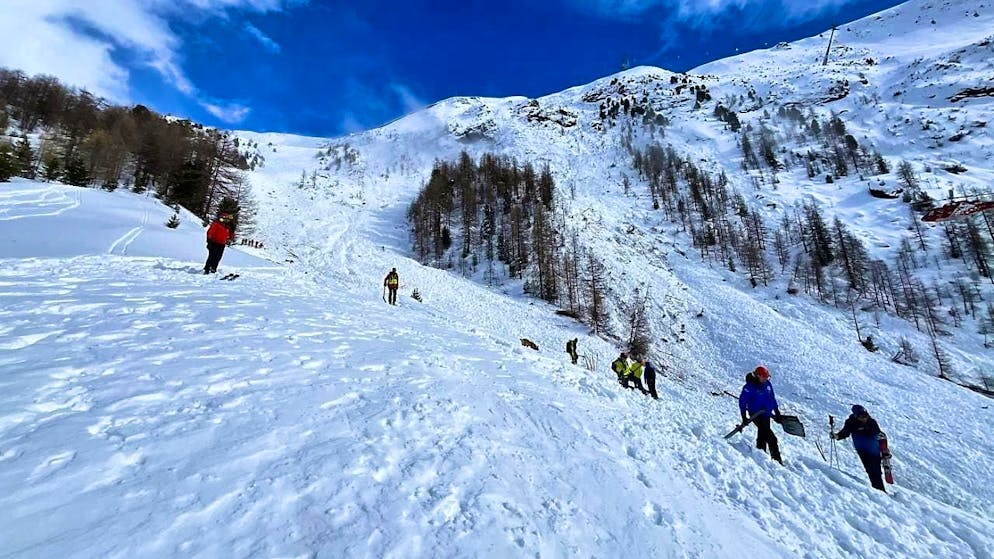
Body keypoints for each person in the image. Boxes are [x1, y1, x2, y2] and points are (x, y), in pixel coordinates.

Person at [832, 405, 886, 491]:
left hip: (874, 449)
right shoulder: (850, 423)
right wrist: (837, 436)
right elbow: (845, 433)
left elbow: (879, 435)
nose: (864, 418)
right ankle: (878, 490)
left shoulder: (872, 422)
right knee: (870, 470)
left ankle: (880, 490)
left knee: (877, 470)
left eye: (866, 416)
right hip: (863, 450)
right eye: (861, 417)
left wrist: (884, 451)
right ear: (856, 416)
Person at [738, 365, 783, 464]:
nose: (766, 379)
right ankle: (777, 461)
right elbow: (742, 402)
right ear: (757, 376)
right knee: (772, 439)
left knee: (763, 435)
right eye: (763, 377)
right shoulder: (749, 387)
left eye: (767, 377)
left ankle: (760, 454)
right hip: (756, 414)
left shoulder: (767, 384)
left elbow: (772, 398)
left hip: (766, 414)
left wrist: (777, 412)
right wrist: (744, 417)